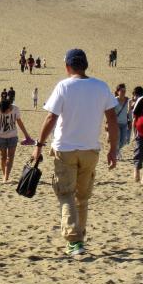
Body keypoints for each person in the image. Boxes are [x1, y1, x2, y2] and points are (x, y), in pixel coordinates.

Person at [32, 49, 118, 257]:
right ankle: (80, 233)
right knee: (83, 196)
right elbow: (112, 119)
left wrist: (39, 144)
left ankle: (74, 239)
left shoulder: (64, 86)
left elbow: (51, 118)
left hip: (66, 149)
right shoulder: (101, 86)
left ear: (68, 66)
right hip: (90, 150)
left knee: (66, 193)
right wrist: (113, 149)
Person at [0, 99, 32, 182]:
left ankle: (6, 177)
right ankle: (4, 174)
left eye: (6, 111)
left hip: (13, 136)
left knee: (10, 157)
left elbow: (19, 122)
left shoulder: (15, 109)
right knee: (3, 157)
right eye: (3, 112)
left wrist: (27, 136)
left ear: (9, 107)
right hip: (1, 136)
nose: (4, 113)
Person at [113, 84, 130, 160]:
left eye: (124, 91)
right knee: (118, 139)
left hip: (124, 123)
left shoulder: (128, 100)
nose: (123, 92)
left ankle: (117, 150)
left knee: (123, 141)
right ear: (118, 91)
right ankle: (117, 152)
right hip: (116, 124)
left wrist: (130, 121)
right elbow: (111, 113)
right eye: (122, 91)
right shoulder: (114, 100)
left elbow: (130, 112)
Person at [132, 86, 143, 183]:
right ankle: (136, 170)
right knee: (139, 152)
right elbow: (135, 116)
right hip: (141, 132)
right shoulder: (141, 100)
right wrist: (133, 132)